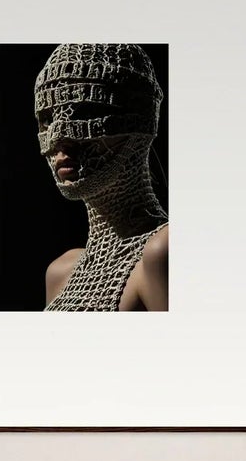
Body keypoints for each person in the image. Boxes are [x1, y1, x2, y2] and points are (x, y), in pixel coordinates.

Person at [35, 42, 169, 312]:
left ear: (140, 122)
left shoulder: (161, 253)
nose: (59, 138)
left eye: (86, 110)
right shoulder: (60, 273)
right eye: (47, 118)